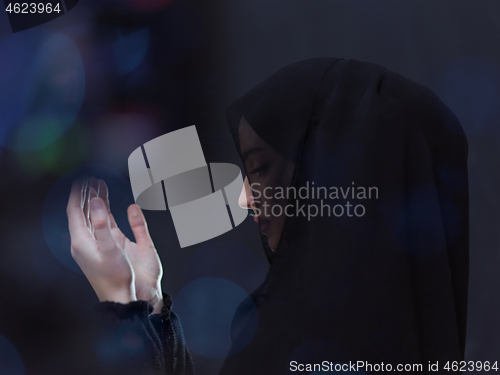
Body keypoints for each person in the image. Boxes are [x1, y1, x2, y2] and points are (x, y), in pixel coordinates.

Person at [67, 57, 469, 374]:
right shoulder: (400, 333)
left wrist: (120, 302)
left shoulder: (300, 343)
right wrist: (145, 303)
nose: (244, 199)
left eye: (259, 169)